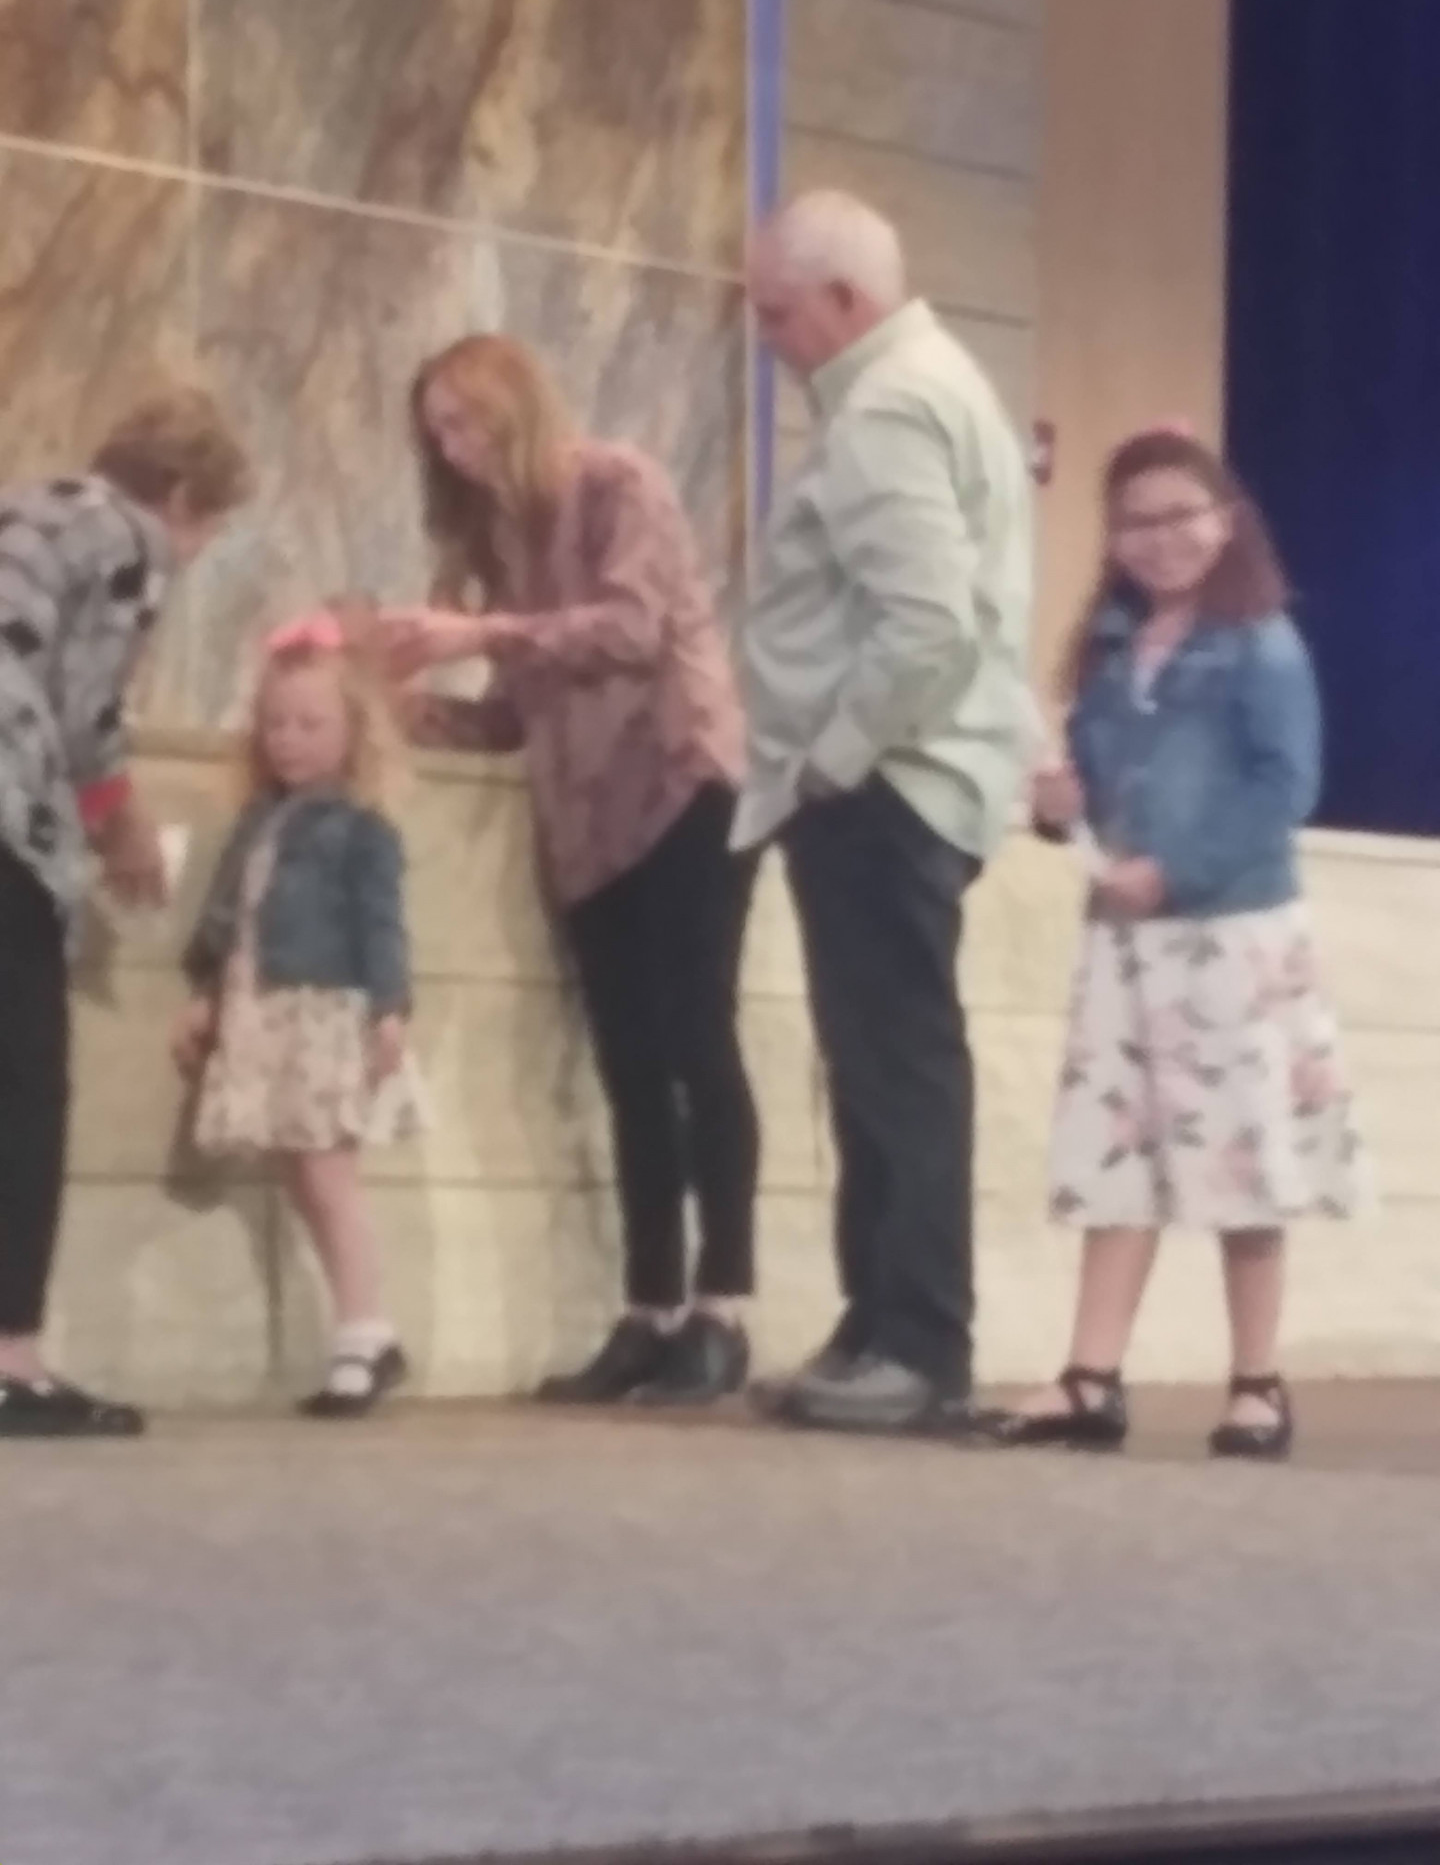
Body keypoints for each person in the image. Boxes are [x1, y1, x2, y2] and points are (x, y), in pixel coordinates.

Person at [381, 334, 758, 1406]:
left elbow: (632, 629)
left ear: (516, 403)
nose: (455, 448)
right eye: (437, 433)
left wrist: (479, 630)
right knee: (629, 1064)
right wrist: (423, 713)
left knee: (697, 1041)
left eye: (466, 420)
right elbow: (521, 709)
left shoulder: (616, 483)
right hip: (587, 824)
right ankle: (649, 1308)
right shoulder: (503, 539)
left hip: (682, 784)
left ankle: (724, 1307)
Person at [993, 428, 1367, 1462]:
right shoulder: (1110, 648)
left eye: (1179, 516)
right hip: (1126, 942)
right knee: (1119, 1152)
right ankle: (1091, 1376)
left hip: (1231, 934)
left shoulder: (1261, 643)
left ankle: (1257, 1383)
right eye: (1134, 522)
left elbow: (1284, 787)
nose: (1158, 539)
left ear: (1225, 521)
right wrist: (1059, 808)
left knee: (1244, 1158)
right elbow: (1091, 789)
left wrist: (1176, 869)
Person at [737, 190, 1033, 1432]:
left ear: (846, 299)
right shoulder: (927, 384)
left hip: (886, 783)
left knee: (898, 1067)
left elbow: (926, 624)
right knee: (871, 1066)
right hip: (906, 779)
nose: (766, 337)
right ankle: (876, 1326)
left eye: (777, 312)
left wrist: (833, 759)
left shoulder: (889, 406)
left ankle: (916, 1342)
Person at [0, 388, 252, 1438]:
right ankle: (11, 1359)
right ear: (183, 496)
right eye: (210, 529)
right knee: (22, 1084)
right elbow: (84, 708)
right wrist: (121, 825)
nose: (195, 553)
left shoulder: (30, 506)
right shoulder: (128, 537)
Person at [174, 618, 420, 1418]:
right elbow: (225, 919)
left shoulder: (362, 827)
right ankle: (366, 1331)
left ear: (353, 732)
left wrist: (390, 1010)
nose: (288, 739)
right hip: (264, 1010)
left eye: (311, 724)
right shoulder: (258, 821)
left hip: (323, 1012)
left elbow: (383, 926)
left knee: (328, 1173)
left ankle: (364, 1332)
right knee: (299, 1172)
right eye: (276, 723)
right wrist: (206, 997)